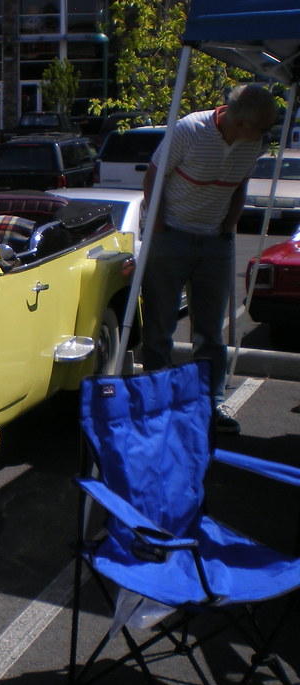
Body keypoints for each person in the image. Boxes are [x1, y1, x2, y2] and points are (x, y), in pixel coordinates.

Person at [141, 83, 277, 435]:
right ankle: (157, 403)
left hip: (215, 240)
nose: (268, 135)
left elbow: (240, 183)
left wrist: (229, 226)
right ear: (241, 122)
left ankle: (207, 404)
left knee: (211, 333)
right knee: (160, 328)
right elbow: (155, 174)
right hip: (171, 236)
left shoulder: (254, 142)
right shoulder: (190, 129)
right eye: (264, 127)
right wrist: (158, 230)